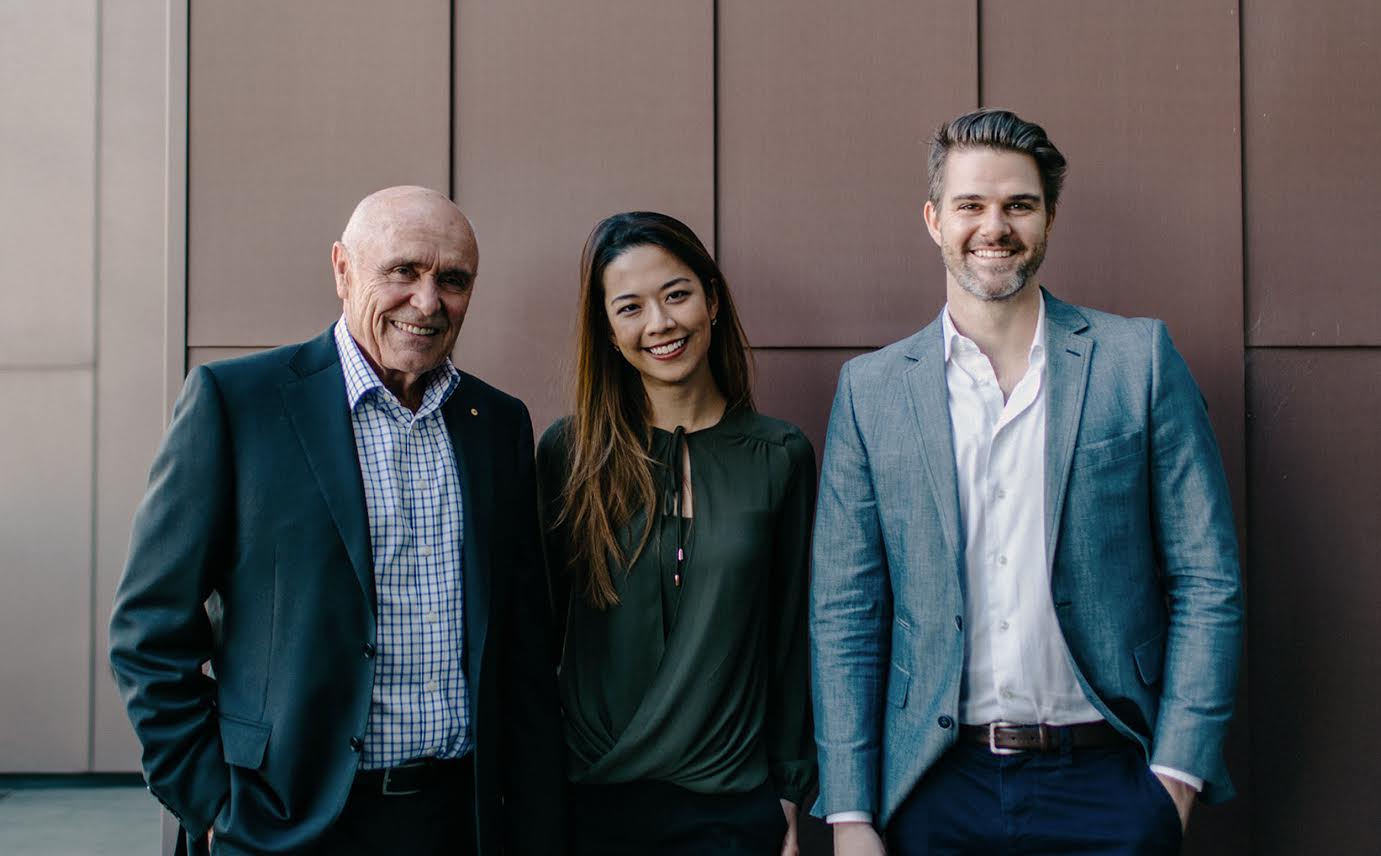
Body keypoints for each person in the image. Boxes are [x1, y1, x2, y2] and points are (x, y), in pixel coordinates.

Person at [810, 110, 1243, 854]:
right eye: (970, 205)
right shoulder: (871, 391)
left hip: (1110, 780)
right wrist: (850, 815)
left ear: (1048, 217)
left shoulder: (1134, 361)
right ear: (932, 219)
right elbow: (845, 611)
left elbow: (1208, 577)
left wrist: (1173, 778)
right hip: (932, 788)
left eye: (1018, 204)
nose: (994, 226)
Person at [109, 186, 565, 855]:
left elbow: (522, 645)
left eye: (453, 279)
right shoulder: (238, 404)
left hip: (459, 821)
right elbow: (148, 630)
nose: (428, 301)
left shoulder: (497, 424)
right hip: (284, 822)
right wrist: (210, 803)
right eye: (403, 270)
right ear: (342, 270)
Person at [536, 212, 817, 855]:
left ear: (712, 301)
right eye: (630, 307)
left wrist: (788, 792)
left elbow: (791, 639)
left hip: (733, 809)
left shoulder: (780, 456)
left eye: (676, 294)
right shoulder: (570, 454)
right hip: (592, 803)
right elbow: (537, 635)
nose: (659, 324)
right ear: (608, 332)